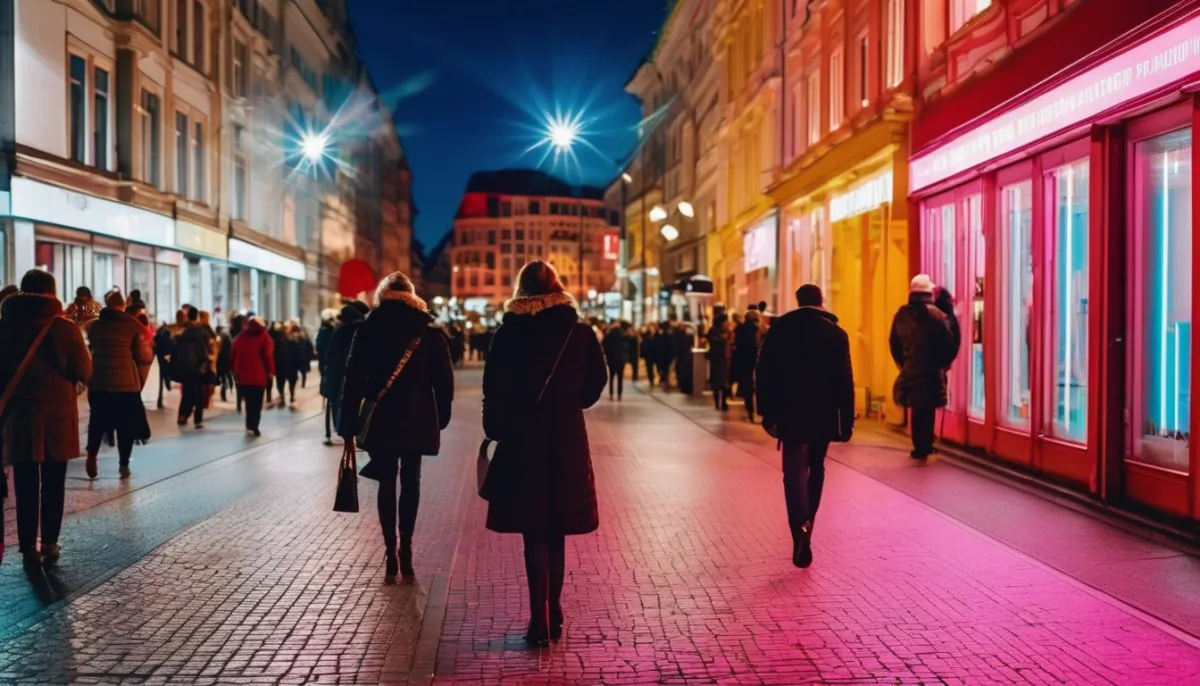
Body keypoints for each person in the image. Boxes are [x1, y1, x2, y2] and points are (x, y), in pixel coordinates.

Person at [480, 261, 607, 646]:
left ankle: (539, 618)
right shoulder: (579, 331)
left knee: (534, 528)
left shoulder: (507, 333)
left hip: (523, 437)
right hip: (566, 436)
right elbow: (596, 381)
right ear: (558, 288)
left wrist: (496, 429)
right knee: (557, 528)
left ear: (521, 291)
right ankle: (555, 606)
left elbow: (493, 387)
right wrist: (573, 400)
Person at [339, 273, 453, 583]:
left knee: (386, 482)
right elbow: (444, 381)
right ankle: (407, 548)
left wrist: (347, 422)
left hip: (382, 417)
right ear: (412, 296)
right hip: (418, 417)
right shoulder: (428, 332)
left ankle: (390, 551)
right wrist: (441, 416)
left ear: (382, 296)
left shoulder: (368, 329)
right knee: (411, 482)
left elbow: (351, 378)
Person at [756, 284, 855, 569]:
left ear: (798, 302)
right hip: (822, 415)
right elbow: (844, 381)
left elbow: (763, 373)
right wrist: (846, 421)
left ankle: (799, 525)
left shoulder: (779, 331)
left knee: (793, 471)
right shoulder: (836, 334)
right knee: (816, 468)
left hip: (789, 413)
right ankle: (807, 525)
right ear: (821, 301)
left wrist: (766, 412)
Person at [0, 269, 92, 567]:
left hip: (19, 414)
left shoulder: (6, 326)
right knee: (53, 482)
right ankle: (49, 543)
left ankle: (27, 545)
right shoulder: (64, 328)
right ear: (52, 292)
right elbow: (84, 371)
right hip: (57, 415)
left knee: (24, 482)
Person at [85, 289, 154, 479]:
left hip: (99, 382)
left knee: (96, 421)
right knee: (126, 426)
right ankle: (124, 465)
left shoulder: (93, 327)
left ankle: (92, 455)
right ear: (123, 306)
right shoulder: (131, 327)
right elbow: (143, 356)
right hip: (126, 386)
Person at [890, 274, 958, 461]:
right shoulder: (936, 315)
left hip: (911, 368)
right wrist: (943, 365)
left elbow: (894, 344)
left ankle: (920, 446)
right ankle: (924, 445)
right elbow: (950, 343)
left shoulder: (901, 315)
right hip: (931, 371)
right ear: (929, 293)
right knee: (926, 409)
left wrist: (905, 364)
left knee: (917, 408)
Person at [321, 300, 370, 436]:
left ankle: (343, 430)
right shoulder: (363, 328)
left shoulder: (340, 329)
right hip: (357, 375)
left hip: (337, 375)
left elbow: (329, 357)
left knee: (338, 404)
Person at [230, 317, 275, 437]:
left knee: (248, 402)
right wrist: (271, 371)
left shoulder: (240, 337)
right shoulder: (264, 337)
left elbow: (233, 355)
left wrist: (235, 371)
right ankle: (254, 426)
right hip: (259, 376)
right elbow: (268, 356)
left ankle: (249, 424)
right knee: (257, 402)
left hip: (243, 377)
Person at [172, 306, 214, 429]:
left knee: (187, 391)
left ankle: (183, 415)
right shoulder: (202, 331)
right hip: (199, 366)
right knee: (199, 392)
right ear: (197, 317)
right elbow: (209, 347)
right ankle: (198, 419)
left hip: (185, 366)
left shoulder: (183, 331)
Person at [733, 309, 764, 422]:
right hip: (759, 362)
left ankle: (750, 410)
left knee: (748, 388)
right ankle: (760, 411)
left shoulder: (741, 329)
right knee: (760, 387)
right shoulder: (761, 329)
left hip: (745, 362)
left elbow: (738, 346)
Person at [707, 310, 733, 411]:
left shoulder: (727, 332)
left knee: (725, 382)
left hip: (725, 359)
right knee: (717, 382)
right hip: (717, 359)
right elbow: (715, 342)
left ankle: (724, 402)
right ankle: (718, 401)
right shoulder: (713, 331)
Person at [602, 322, 629, 401]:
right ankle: (619, 394)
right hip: (621, 359)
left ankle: (611, 394)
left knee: (611, 376)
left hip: (611, 359)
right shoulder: (623, 336)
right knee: (620, 377)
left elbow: (604, 346)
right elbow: (626, 348)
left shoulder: (608, 336)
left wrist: (607, 355)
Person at [640, 324, 659, 388]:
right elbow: (644, 345)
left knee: (657, 367)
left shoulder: (657, 336)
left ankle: (656, 378)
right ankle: (651, 379)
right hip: (649, 355)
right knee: (649, 368)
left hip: (656, 354)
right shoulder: (646, 336)